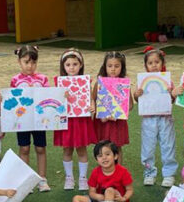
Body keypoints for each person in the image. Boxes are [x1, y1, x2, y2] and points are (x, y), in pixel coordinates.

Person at [134, 46, 177, 187]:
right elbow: (137, 99)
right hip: (148, 119)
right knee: (148, 147)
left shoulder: (168, 81)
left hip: (165, 118)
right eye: (150, 63)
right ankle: (149, 173)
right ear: (146, 65)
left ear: (162, 63)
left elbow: (173, 100)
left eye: (157, 62)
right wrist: (137, 94)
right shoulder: (142, 82)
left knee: (168, 145)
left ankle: (169, 174)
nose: (154, 65)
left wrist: (172, 93)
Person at [54, 48, 96, 191]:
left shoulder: (85, 82)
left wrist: (92, 106)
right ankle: (69, 177)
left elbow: (90, 99)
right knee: (67, 150)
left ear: (80, 65)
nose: (71, 67)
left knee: (82, 150)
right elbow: (55, 102)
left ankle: (83, 178)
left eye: (75, 64)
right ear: (63, 66)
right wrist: (61, 97)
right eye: (68, 64)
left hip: (81, 120)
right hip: (66, 121)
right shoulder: (59, 82)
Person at [10, 45, 50, 192]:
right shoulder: (15, 80)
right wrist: (3, 98)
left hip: (39, 120)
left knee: (40, 148)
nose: (30, 66)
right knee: (24, 148)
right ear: (19, 62)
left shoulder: (43, 79)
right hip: (22, 121)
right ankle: (26, 179)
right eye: (26, 62)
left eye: (33, 62)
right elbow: (12, 99)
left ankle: (42, 179)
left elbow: (49, 98)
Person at [65, 140, 133, 202]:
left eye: (107, 154)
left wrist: (124, 198)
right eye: (100, 156)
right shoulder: (95, 172)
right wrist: (97, 196)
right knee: (76, 198)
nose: (104, 158)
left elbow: (129, 189)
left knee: (109, 190)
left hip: (117, 201)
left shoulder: (123, 171)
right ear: (97, 160)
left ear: (115, 156)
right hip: (100, 199)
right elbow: (92, 192)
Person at [93, 52, 133, 164]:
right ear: (104, 67)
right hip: (103, 122)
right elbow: (93, 101)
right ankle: (104, 170)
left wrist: (120, 111)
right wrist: (100, 113)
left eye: (117, 66)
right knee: (102, 147)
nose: (113, 69)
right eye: (109, 66)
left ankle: (118, 171)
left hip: (117, 122)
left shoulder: (125, 85)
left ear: (122, 67)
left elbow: (130, 105)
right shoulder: (99, 84)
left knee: (116, 147)